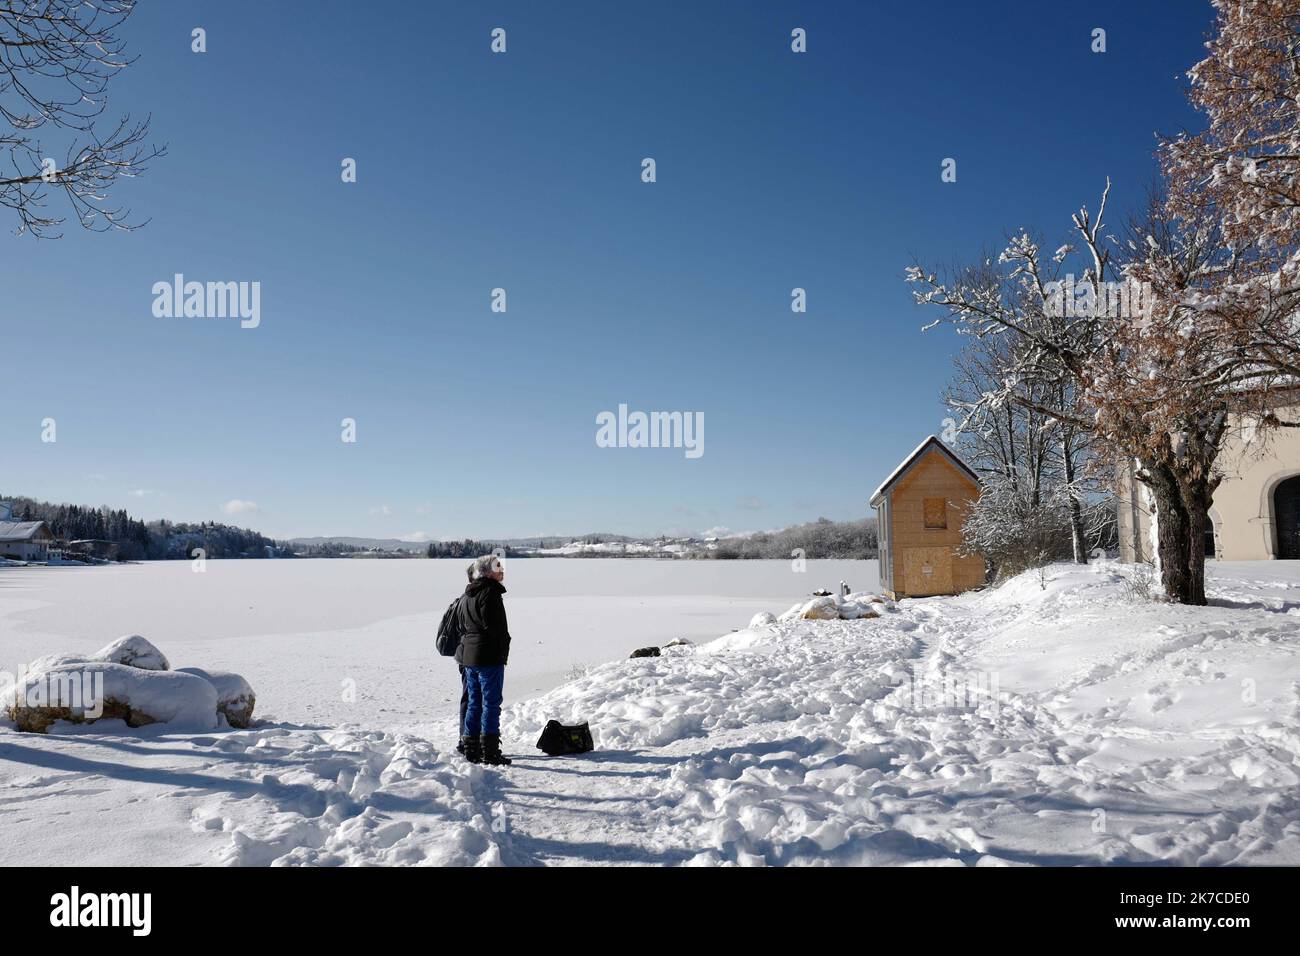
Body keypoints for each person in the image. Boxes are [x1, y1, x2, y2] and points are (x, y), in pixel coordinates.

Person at [455, 554, 512, 766]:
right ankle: (490, 751)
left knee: (474, 702)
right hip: (488, 656)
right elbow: (495, 627)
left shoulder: (467, 594)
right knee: (491, 703)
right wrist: (502, 649)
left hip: (470, 656)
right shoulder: (491, 593)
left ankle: (471, 748)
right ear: (487, 572)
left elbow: (464, 625)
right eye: (498, 567)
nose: (502, 571)